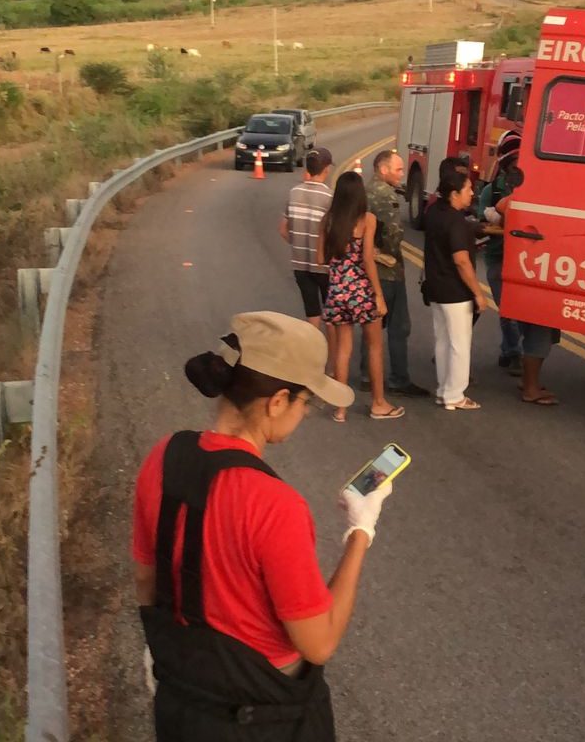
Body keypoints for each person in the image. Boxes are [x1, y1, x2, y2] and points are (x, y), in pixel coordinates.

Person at [134, 311, 395, 742]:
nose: (304, 413)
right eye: (305, 401)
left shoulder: (164, 455)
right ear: (277, 402)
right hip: (265, 718)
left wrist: (168, 660)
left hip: (182, 701)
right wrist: (360, 530)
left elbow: (147, 581)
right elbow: (318, 643)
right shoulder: (275, 505)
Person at [319, 171, 405, 423]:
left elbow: (320, 259)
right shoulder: (367, 220)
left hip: (337, 291)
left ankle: (340, 408)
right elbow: (367, 259)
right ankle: (378, 403)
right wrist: (378, 294)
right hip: (361, 291)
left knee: (343, 349)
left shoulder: (327, 221)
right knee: (374, 347)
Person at [360, 150, 430, 398]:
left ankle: (367, 375)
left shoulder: (366, 190)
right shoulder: (385, 195)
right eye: (398, 169)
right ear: (383, 170)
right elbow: (393, 234)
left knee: (372, 325)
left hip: (369, 267)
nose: (402, 174)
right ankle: (399, 378)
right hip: (388, 271)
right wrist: (389, 254)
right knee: (399, 327)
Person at [488, 188, 561, 405]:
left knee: (533, 328)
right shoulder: (545, 202)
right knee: (539, 329)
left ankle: (528, 379)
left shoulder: (517, 199)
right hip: (532, 271)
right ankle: (530, 387)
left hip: (521, 268)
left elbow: (498, 210)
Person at [423, 168, 488, 411]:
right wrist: (478, 293)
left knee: (442, 340)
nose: (472, 193)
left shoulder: (433, 213)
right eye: (468, 189)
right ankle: (455, 395)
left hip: (436, 288)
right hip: (455, 291)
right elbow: (461, 260)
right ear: (454, 194)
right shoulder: (456, 221)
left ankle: (443, 390)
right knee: (460, 344)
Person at [280, 147, 337, 373]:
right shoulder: (329, 197)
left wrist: (298, 242)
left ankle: (313, 365)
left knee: (312, 316)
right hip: (324, 266)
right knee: (331, 319)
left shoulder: (294, 193)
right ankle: (332, 367)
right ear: (326, 169)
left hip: (300, 264)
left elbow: (283, 229)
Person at [478, 142, 524, 376]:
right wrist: (500, 218)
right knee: (507, 309)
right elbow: (482, 221)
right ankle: (514, 353)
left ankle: (509, 351)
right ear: (505, 168)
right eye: (514, 165)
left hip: (524, 260)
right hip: (498, 257)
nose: (519, 169)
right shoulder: (492, 192)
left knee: (520, 310)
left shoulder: (531, 190)